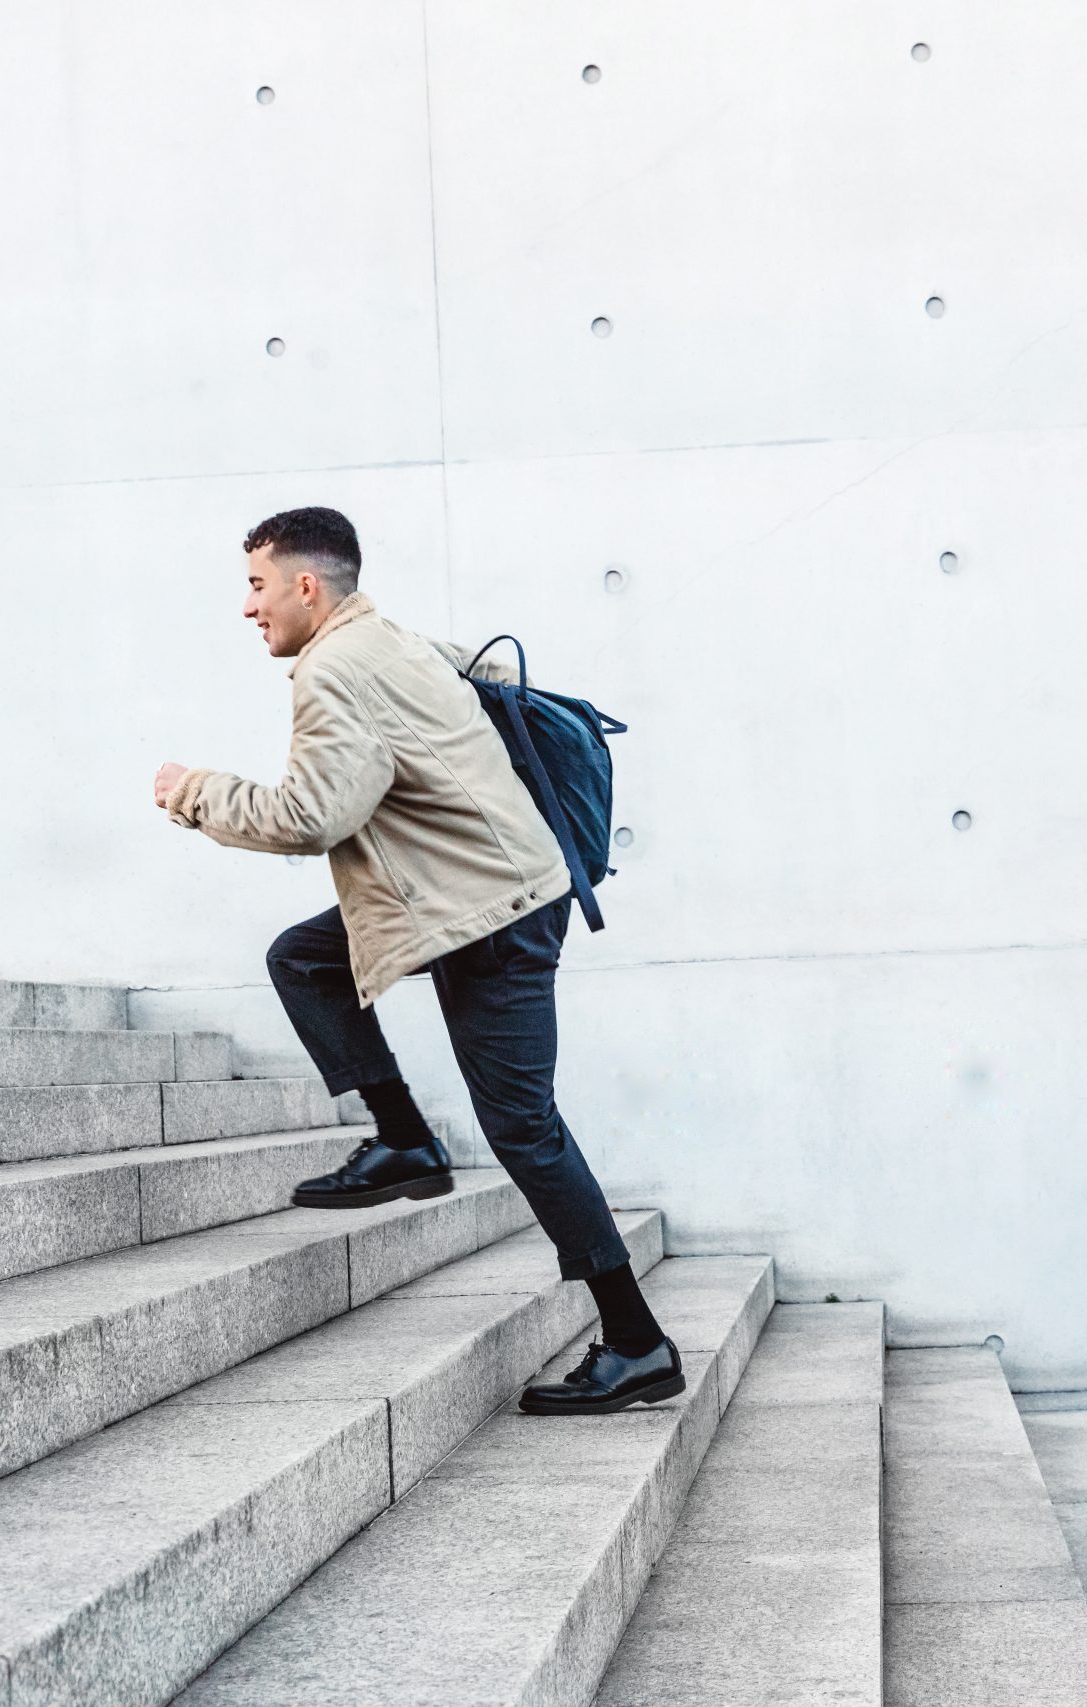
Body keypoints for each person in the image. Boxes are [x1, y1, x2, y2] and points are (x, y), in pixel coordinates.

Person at [153, 506, 676, 1415]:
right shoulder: (395, 639)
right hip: (473, 892)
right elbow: (496, 676)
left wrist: (195, 792)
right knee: (305, 959)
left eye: (256, 585)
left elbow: (313, 815)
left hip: (490, 914)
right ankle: (405, 1137)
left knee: (524, 1129)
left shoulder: (332, 669)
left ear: (304, 585)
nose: (249, 608)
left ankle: (636, 1342)